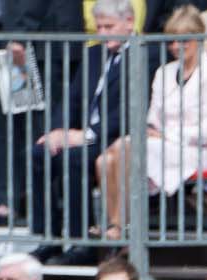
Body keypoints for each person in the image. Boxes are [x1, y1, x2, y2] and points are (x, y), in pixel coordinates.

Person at [97, 5, 207, 239]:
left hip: (197, 150)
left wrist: (168, 135)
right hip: (160, 143)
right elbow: (153, 118)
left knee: (124, 148)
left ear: (198, 38)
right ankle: (119, 226)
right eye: (172, 42)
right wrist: (155, 132)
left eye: (183, 41)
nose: (176, 47)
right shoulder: (164, 72)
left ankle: (119, 227)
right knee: (104, 160)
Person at [29, 0, 139, 257]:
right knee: (40, 153)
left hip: (115, 136)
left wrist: (89, 134)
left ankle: (82, 240)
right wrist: (57, 131)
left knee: (74, 160)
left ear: (129, 23)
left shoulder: (145, 54)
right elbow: (71, 98)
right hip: (84, 135)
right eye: (99, 27)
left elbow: (131, 107)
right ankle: (49, 237)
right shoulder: (93, 55)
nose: (102, 33)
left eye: (109, 27)